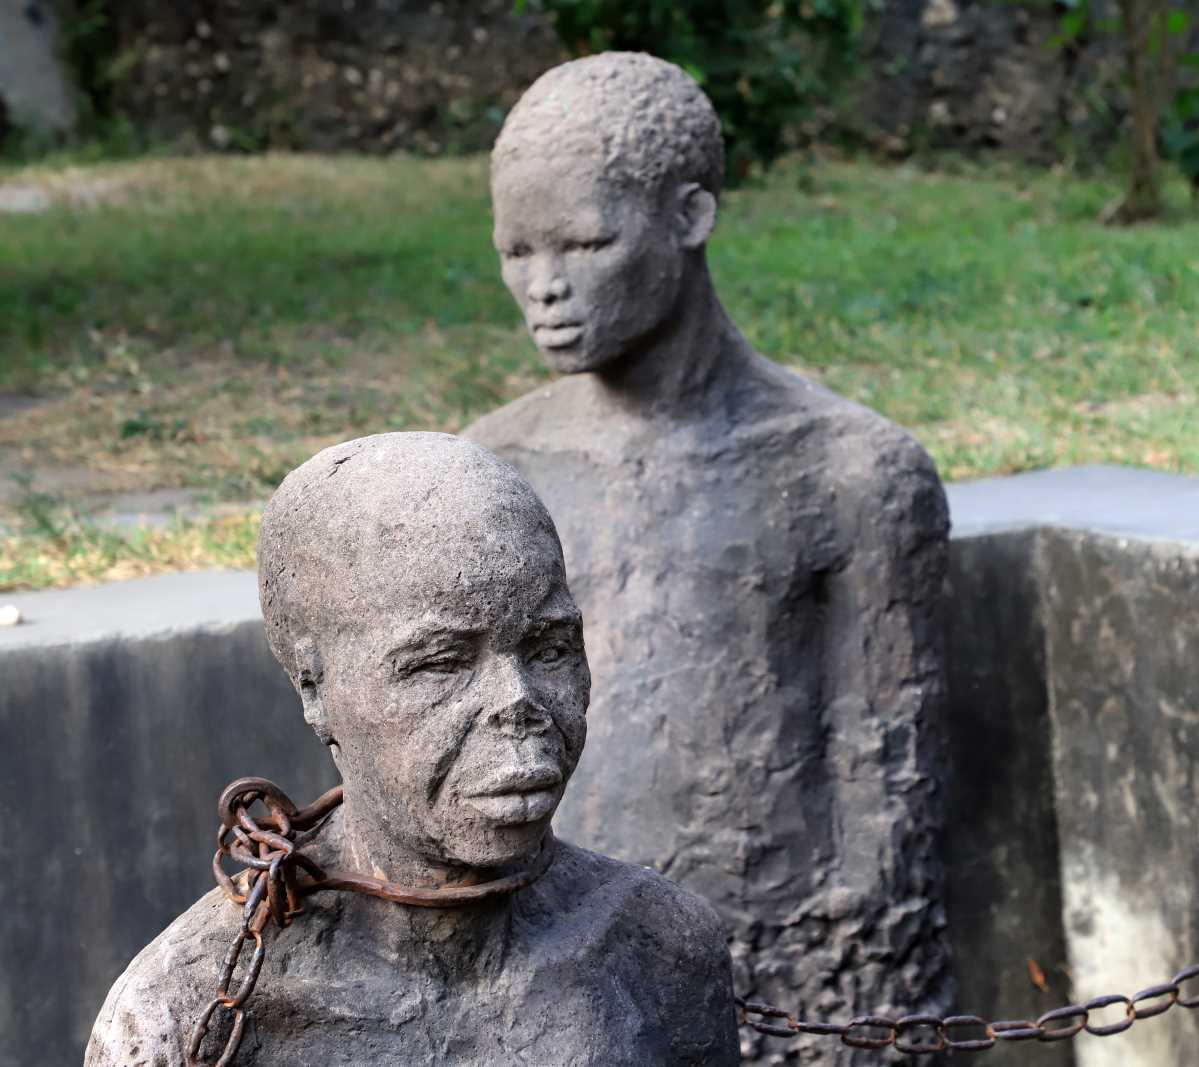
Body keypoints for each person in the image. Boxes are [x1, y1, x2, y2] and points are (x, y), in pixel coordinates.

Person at [463, 53, 951, 1055]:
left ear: (690, 216)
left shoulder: (851, 472)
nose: (544, 288)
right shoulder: (492, 470)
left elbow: (885, 807)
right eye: (516, 251)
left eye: (586, 243)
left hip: (785, 984)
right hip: (548, 973)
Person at [84, 432, 739, 1067]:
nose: (518, 703)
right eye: (441, 662)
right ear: (315, 688)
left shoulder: (663, 949)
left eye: (550, 648)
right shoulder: (190, 1013)